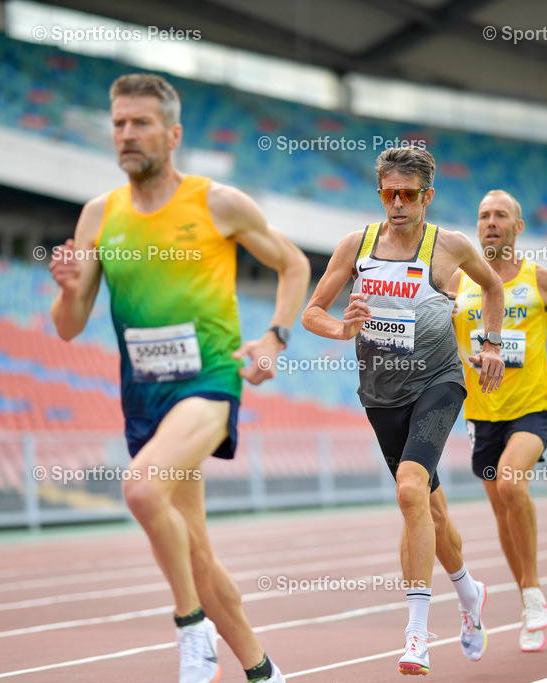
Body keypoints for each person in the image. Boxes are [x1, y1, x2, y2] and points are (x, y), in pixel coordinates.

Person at [50, 73, 309, 683]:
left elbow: (294, 263)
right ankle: (263, 671)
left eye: (140, 123)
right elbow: (68, 326)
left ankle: (190, 628)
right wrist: (65, 292)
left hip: (209, 382)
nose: (127, 134)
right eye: (118, 124)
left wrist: (275, 337)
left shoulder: (216, 202)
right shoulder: (98, 216)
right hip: (145, 396)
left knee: (141, 490)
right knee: (194, 550)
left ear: (173, 134)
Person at [302, 146, 505, 676]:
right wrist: (344, 328)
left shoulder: (450, 247)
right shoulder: (357, 245)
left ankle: (416, 635)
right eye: (388, 193)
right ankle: (469, 594)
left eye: (407, 195)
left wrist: (490, 344)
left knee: (410, 489)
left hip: (438, 383)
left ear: (427, 197)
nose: (396, 203)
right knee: (431, 513)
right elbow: (312, 312)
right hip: (380, 394)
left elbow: (493, 286)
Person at [449, 189, 547, 653]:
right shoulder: (456, 282)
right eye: (483, 215)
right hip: (481, 414)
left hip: (532, 406)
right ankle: (530, 606)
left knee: (511, 485)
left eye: (500, 215)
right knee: (502, 512)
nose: (490, 222)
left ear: (517, 227)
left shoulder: (542, 281)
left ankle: (532, 593)